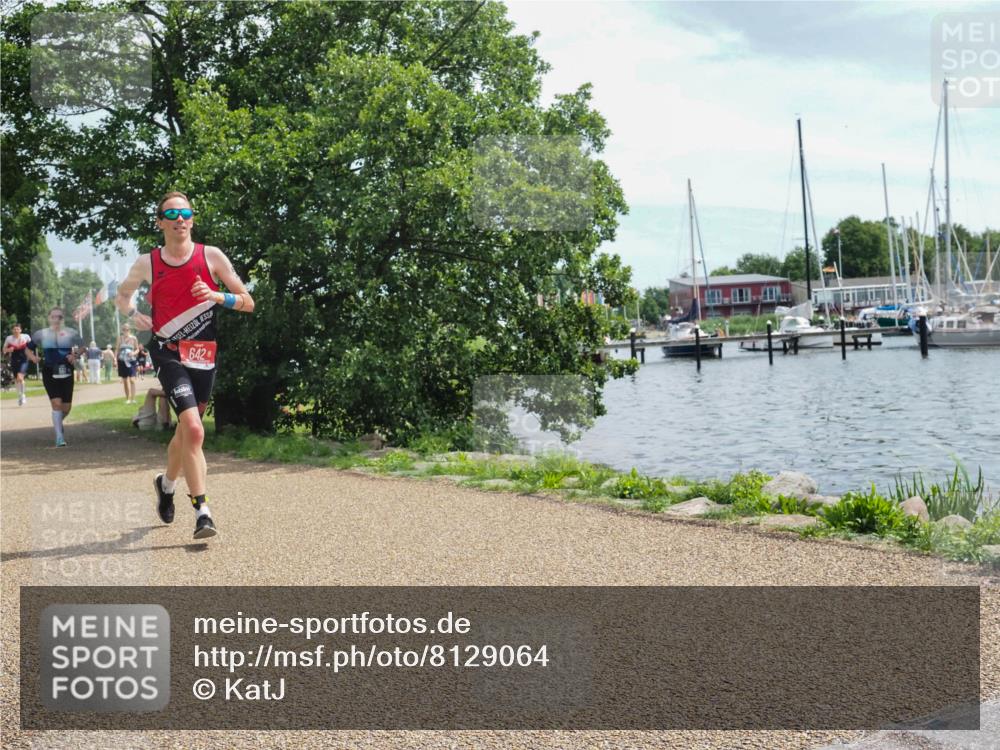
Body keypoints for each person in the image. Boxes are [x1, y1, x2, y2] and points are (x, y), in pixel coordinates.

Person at [117, 191, 255, 540]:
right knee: (194, 430)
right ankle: (203, 512)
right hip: (167, 350)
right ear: (160, 222)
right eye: (172, 213)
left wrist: (215, 296)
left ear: (192, 219)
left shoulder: (211, 256)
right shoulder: (147, 263)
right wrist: (135, 315)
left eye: (186, 212)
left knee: (184, 434)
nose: (180, 218)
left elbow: (248, 301)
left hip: (202, 354)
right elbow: (122, 295)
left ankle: (166, 484)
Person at [26, 307, 83, 446]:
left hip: (66, 370)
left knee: (66, 408)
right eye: (53, 317)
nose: (56, 319)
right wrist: (33, 358)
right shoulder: (41, 334)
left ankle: (58, 423)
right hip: (49, 370)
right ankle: (59, 437)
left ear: (63, 319)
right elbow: (27, 349)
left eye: (60, 317)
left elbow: (83, 347)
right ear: (49, 318)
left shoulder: (71, 333)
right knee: (56, 403)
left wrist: (74, 355)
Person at [3, 323, 32, 406]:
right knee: (16, 380)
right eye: (14, 329)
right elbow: (4, 350)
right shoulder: (9, 339)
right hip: (14, 360)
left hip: (24, 359)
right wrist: (9, 349)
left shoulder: (26, 337)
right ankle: (19, 395)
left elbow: (31, 346)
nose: (16, 331)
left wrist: (31, 354)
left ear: (20, 330)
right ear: (12, 330)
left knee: (20, 377)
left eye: (17, 329)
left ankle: (23, 395)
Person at [116, 323, 139, 403]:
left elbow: (137, 349)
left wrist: (133, 353)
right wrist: (115, 360)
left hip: (131, 361)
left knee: (132, 380)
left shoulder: (134, 338)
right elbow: (117, 349)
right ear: (122, 330)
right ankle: (128, 399)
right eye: (124, 329)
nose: (125, 331)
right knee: (125, 380)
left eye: (127, 329)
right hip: (122, 361)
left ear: (130, 330)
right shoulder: (120, 338)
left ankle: (133, 399)